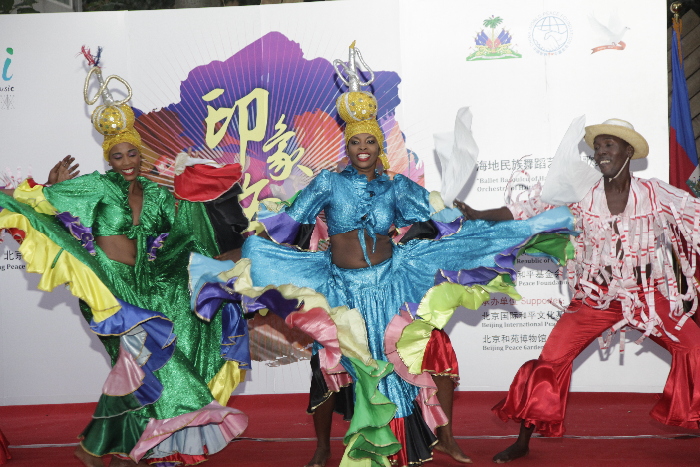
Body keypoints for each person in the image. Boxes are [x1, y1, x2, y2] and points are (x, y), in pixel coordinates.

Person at [189, 43, 575, 467]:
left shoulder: (397, 187)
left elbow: (437, 215)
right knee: (329, 370)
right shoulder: (326, 183)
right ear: (348, 147)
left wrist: (473, 218)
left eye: (370, 140)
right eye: (355, 141)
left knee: (398, 368)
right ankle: (323, 447)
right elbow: (291, 221)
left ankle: (398, 451)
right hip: (339, 288)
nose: (363, 148)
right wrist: (260, 240)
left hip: (391, 283)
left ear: (378, 145)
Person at [0, 52, 248, 466]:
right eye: (119, 157)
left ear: (141, 153)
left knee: (140, 364)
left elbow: (187, 229)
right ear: (108, 158)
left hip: (148, 285)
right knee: (141, 360)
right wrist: (48, 182)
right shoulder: (96, 187)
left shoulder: (156, 193)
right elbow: (39, 201)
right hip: (108, 285)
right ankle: (100, 448)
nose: (128, 164)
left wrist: (211, 244)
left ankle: (126, 448)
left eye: (133, 155)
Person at [456, 118, 700, 463]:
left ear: (628, 152)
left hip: (648, 298)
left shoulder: (655, 192)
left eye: (609, 145)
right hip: (594, 299)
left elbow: (695, 215)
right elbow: (529, 209)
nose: (601, 152)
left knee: (695, 347)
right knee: (549, 361)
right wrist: (480, 213)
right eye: (597, 147)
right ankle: (523, 439)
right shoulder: (581, 191)